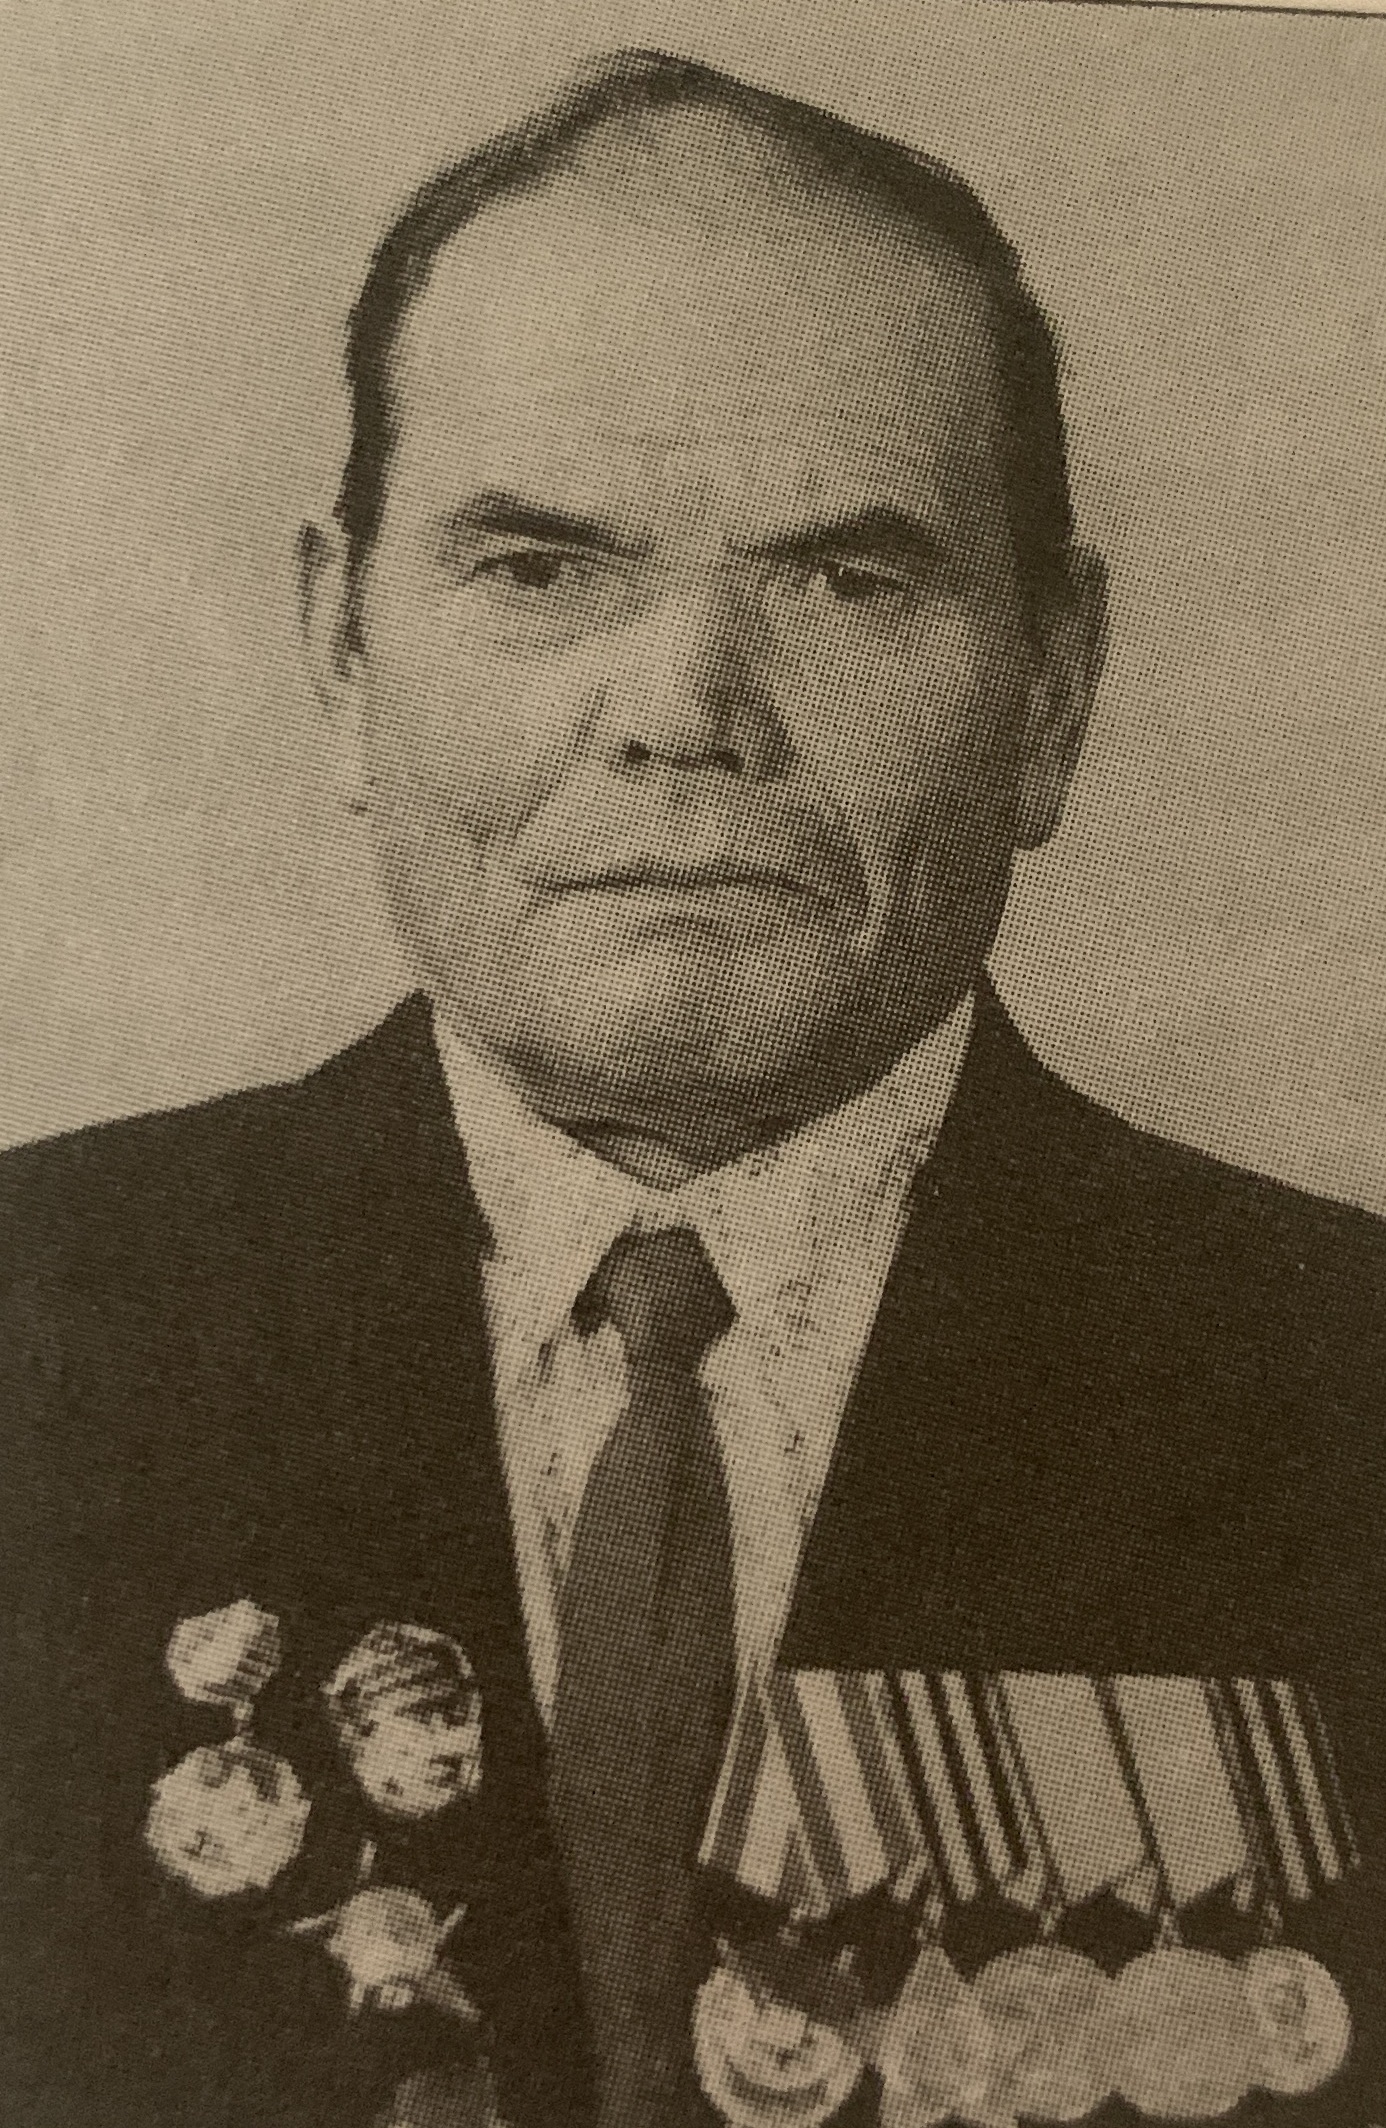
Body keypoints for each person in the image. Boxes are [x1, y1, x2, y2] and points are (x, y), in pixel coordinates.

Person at [2, 46, 1382, 2128]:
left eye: (846, 578)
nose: (683, 708)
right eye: (537, 567)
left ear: (1053, 687)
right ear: (338, 651)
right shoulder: (40, 1329)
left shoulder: (1340, 1386)